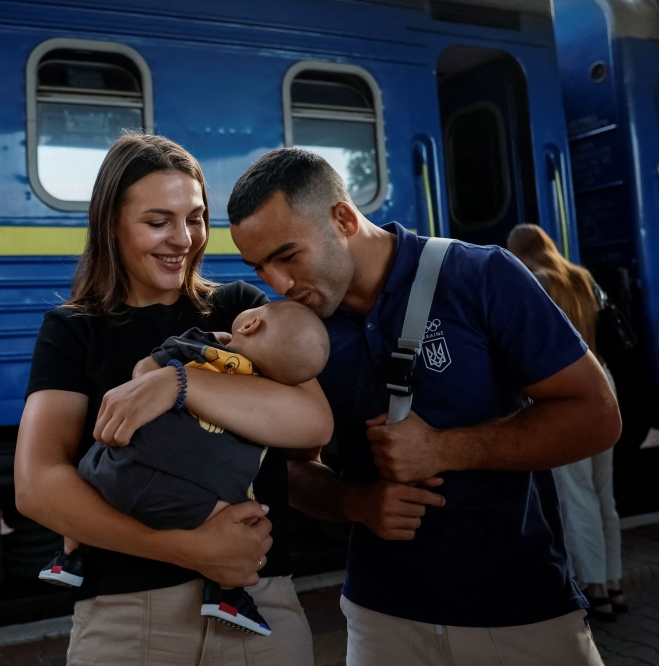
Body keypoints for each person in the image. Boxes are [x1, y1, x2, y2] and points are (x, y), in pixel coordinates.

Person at [226, 147, 622, 665]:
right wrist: (356, 503)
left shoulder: (481, 275)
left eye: (287, 256)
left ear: (343, 218)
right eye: (260, 267)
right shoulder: (300, 332)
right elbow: (292, 468)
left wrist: (444, 449)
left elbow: (597, 415)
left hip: (522, 609)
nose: (276, 285)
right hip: (381, 618)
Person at [15, 134, 331, 666]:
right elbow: (37, 483)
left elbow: (313, 423)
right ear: (111, 223)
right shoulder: (74, 330)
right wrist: (189, 550)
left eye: (195, 217)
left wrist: (179, 383)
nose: (184, 239)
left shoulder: (240, 311)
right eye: (158, 222)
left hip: (260, 609)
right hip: (128, 618)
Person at [38, 299, 331, 637]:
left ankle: (69, 557)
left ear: (249, 325)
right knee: (243, 524)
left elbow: (143, 373)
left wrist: (175, 379)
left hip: (124, 464)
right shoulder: (269, 389)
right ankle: (227, 594)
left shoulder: (203, 343)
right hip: (191, 499)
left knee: (86, 481)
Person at [507, 223, 627, 620]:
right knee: (602, 493)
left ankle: (593, 589)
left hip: (563, 387)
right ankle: (614, 581)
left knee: (574, 496)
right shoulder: (581, 277)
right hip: (601, 379)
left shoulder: (536, 280)